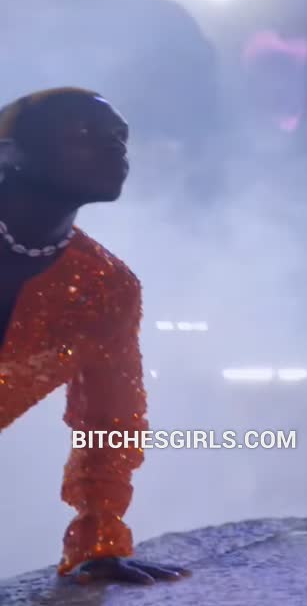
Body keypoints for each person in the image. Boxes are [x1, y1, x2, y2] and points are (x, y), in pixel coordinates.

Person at [0, 88, 187, 586]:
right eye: (84, 132)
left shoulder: (105, 286)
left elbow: (110, 420)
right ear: (8, 151)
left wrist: (99, 541)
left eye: (120, 137)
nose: (113, 146)